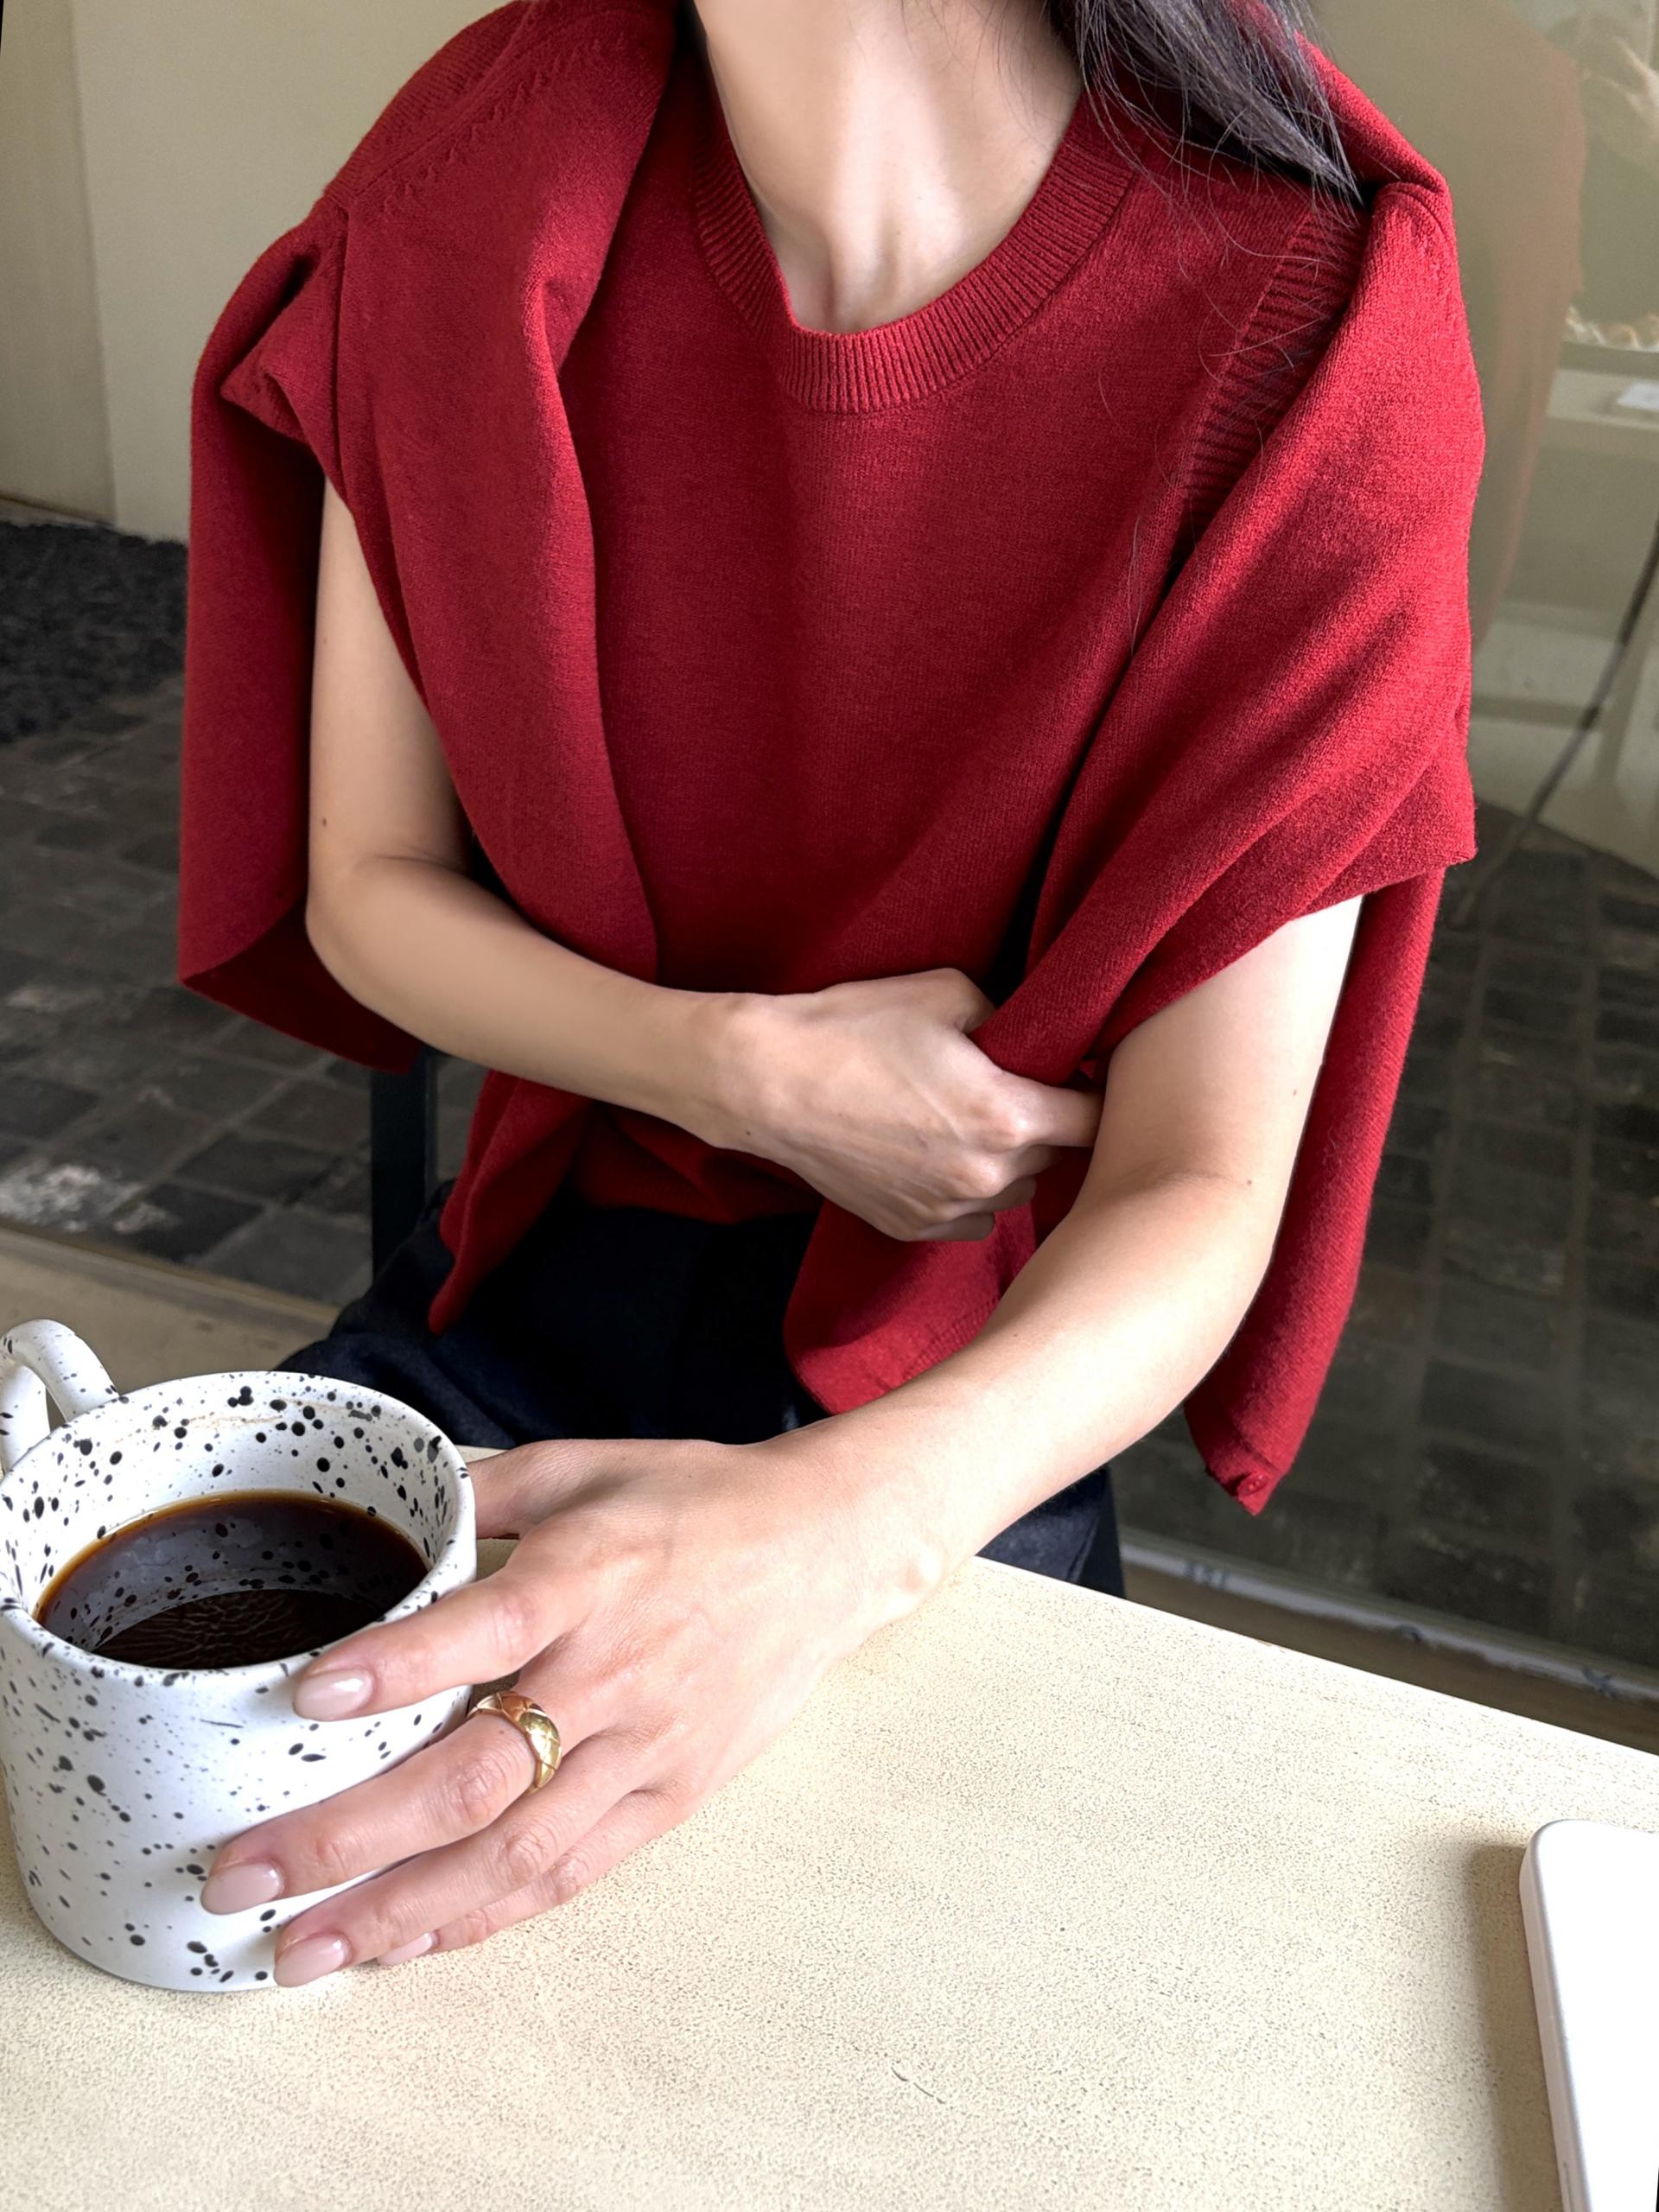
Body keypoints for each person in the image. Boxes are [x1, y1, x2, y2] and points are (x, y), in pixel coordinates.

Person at [178, 0, 1484, 1984]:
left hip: (962, 1392)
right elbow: (370, 887)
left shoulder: (1313, 328)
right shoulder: (471, 183)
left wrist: (835, 1536)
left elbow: (1201, 1184)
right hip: (524, 1288)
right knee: (183, 1864)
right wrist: (745, 1069)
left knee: (886, 2011)